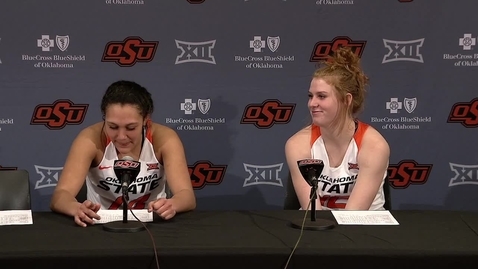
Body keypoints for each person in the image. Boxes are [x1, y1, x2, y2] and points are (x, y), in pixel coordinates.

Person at [50, 80, 196, 227]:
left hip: (152, 226)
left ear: (146, 119)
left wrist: (172, 204)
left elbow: (186, 196)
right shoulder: (90, 139)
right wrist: (76, 208)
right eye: (112, 126)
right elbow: (61, 195)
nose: (121, 136)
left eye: (131, 128)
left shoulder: (165, 139)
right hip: (101, 227)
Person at [285, 47, 390, 211]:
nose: (312, 104)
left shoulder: (374, 146)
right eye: (310, 96)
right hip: (320, 227)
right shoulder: (297, 144)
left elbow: (353, 218)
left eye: (322, 96)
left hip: (365, 228)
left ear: (347, 100)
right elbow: (312, 213)